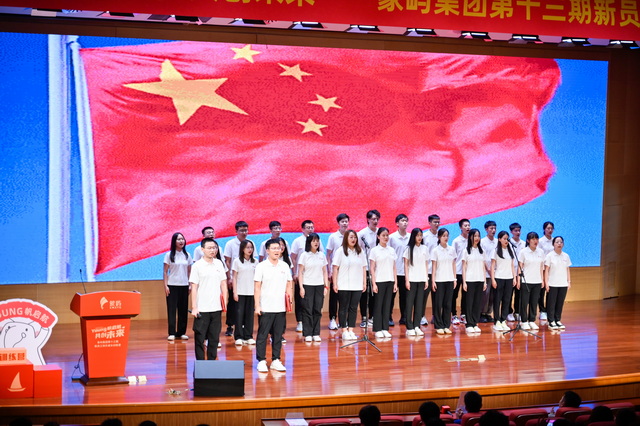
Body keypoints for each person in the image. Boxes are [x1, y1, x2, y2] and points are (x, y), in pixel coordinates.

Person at [254, 238, 294, 373]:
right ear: (267, 250)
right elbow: (257, 287)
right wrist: (257, 305)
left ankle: (276, 360)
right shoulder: (261, 266)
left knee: (278, 335)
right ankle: (261, 360)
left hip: (280, 307)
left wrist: (289, 301)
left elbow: (289, 283)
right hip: (266, 306)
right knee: (263, 335)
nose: (277, 251)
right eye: (274, 248)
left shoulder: (284, 266)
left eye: (279, 248)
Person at [189, 238, 228, 360]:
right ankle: (200, 363)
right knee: (200, 338)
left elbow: (223, 284)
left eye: (214, 248)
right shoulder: (197, 266)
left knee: (214, 338)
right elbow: (194, 287)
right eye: (209, 248)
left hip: (216, 307)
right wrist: (194, 307)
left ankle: (211, 362)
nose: (212, 250)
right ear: (202, 249)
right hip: (202, 308)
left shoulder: (219, 263)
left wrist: (225, 303)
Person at [332, 229, 367, 341]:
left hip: (357, 284)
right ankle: (344, 330)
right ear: (346, 238)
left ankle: (351, 330)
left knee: (353, 307)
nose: (353, 239)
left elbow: (363, 268)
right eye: (351, 237)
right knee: (343, 307)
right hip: (343, 284)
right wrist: (335, 283)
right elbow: (335, 268)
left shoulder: (360, 251)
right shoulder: (340, 251)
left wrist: (364, 283)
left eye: (355, 237)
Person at [291, 220, 325, 333]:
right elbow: (294, 259)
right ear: (303, 229)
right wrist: (295, 274)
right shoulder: (299, 244)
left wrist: (325, 284)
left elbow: (323, 266)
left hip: (317, 281)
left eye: (312, 227)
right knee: (303, 304)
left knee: (316, 307)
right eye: (308, 227)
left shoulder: (320, 249)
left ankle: (315, 330)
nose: (310, 229)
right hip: (304, 279)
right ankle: (303, 325)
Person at [298, 233, 329, 342]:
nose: (316, 243)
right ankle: (308, 333)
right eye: (313, 241)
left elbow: (325, 271)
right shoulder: (304, 255)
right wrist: (301, 287)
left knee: (317, 309)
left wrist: (326, 286)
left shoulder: (322, 255)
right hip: (307, 285)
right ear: (309, 242)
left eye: (317, 241)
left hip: (319, 285)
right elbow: (300, 272)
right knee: (308, 309)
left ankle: (316, 333)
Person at [223, 221, 252, 337]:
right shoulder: (230, 244)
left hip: (247, 279)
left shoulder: (250, 243)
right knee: (233, 303)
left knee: (246, 304)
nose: (244, 232)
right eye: (241, 230)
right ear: (236, 231)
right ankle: (230, 325)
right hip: (234, 278)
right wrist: (229, 277)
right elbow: (227, 261)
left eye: (246, 230)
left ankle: (243, 325)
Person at [163, 232, 193, 341]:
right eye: (179, 239)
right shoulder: (169, 255)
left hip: (184, 285)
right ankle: (171, 332)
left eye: (182, 239)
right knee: (172, 310)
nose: (181, 241)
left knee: (183, 309)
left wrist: (190, 284)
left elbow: (189, 271)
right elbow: (165, 272)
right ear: (174, 241)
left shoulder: (187, 255)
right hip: (172, 285)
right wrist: (165, 286)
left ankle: (181, 332)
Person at [370, 227, 398, 338]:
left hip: (390, 280)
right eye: (383, 235)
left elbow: (394, 267)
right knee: (378, 305)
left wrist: (395, 283)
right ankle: (377, 329)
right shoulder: (374, 250)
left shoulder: (391, 250)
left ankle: (385, 328)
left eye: (387, 235)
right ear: (378, 237)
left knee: (387, 305)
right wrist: (374, 283)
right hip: (379, 281)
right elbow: (372, 268)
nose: (386, 237)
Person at [326, 213, 350, 330]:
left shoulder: (351, 236)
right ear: (338, 223)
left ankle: (343, 320)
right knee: (334, 297)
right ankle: (332, 319)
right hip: (335, 271)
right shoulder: (333, 237)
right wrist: (329, 270)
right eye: (342, 221)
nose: (344, 223)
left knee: (345, 296)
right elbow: (328, 254)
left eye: (346, 221)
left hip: (347, 271)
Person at [431, 228, 457, 335]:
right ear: (439, 237)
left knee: (448, 304)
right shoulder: (435, 250)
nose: (446, 238)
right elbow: (434, 267)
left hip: (449, 279)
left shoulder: (452, 250)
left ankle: (446, 325)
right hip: (439, 280)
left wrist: (454, 278)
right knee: (438, 304)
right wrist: (433, 281)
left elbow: (453, 265)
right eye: (443, 236)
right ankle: (439, 325)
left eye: (447, 235)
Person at [232, 240, 257, 345]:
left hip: (252, 292)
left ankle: (248, 336)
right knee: (239, 315)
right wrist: (235, 292)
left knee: (249, 315)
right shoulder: (237, 261)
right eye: (247, 247)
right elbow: (234, 277)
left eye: (251, 247)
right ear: (242, 249)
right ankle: (238, 336)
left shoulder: (255, 262)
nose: (250, 249)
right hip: (240, 292)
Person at [403, 228, 428, 336]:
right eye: (417, 235)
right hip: (412, 280)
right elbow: (405, 265)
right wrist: (407, 280)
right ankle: (409, 327)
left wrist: (426, 279)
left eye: (421, 235)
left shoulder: (424, 248)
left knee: (419, 304)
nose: (419, 237)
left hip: (421, 279)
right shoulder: (408, 249)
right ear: (413, 236)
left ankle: (417, 325)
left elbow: (426, 264)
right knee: (409, 304)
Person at [518, 232, 545, 331]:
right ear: (528, 241)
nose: (535, 241)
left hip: (537, 280)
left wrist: (542, 280)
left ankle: (532, 320)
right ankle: (524, 321)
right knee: (524, 302)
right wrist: (518, 280)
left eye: (536, 239)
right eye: (533, 239)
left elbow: (541, 267)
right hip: (526, 280)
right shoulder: (523, 252)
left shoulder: (541, 252)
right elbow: (520, 267)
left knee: (534, 301)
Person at [490, 231, 516, 332]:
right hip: (499, 278)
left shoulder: (511, 250)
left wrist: (514, 278)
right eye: (504, 239)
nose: (506, 241)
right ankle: (497, 321)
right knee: (497, 300)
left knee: (507, 300)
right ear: (499, 239)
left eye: (507, 239)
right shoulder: (496, 251)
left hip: (509, 278)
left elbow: (512, 265)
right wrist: (493, 279)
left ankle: (503, 320)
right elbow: (492, 266)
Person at [358, 209, 380, 328]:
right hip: (365, 268)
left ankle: (372, 316)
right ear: (368, 220)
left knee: (374, 294)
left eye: (377, 219)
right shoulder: (362, 234)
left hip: (378, 268)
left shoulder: (380, 232)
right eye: (373, 219)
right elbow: (358, 251)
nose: (375, 221)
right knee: (364, 293)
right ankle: (364, 317)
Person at [462, 229, 486, 333]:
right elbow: (463, 267)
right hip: (470, 280)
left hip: (480, 279)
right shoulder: (466, 251)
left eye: (478, 236)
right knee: (469, 303)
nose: (477, 238)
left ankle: (475, 323)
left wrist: (484, 281)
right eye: (475, 236)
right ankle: (469, 324)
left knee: (477, 303)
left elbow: (483, 267)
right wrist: (464, 282)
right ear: (470, 237)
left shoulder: (482, 251)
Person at [544, 236, 571, 330]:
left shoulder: (566, 256)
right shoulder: (549, 256)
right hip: (552, 283)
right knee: (551, 303)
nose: (559, 244)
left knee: (560, 302)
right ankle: (551, 321)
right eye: (557, 242)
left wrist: (569, 281)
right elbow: (546, 270)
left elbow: (567, 269)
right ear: (553, 244)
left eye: (561, 242)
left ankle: (557, 319)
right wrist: (546, 283)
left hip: (563, 283)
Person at [389, 214, 410, 327]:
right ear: (397, 223)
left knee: (405, 297)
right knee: (391, 296)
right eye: (402, 221)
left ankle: (404, 317)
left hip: (407, 272)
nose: (405, 223)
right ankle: (389, 317)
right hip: (394, 272)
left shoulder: (411, 236)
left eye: (406, 221)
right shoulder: (392, 237)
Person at [421, 214, 441, 326]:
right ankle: (421, 316)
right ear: (429, 223)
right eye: (434, 222)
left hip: (439, 271)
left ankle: (436, 316)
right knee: (424, 295)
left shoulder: (441, 235)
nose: (437, 224)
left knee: (437, 296)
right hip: (427, 271)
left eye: (438, 222)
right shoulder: (424, 236)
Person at [451, 219, 470, 326]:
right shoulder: (456, 241)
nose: (468, 227)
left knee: (466, 295)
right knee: (454, 295)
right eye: (465, 225)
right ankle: (454, 315)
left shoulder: (471, 240)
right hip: (457, 272)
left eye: (468, 225)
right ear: (460, 227)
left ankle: (463, 314)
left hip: (468, 272)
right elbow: (453, 258)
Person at [480, 221, 498, 323]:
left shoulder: (497, 241)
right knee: (485, 294)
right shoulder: (482, 242)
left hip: (496, 273)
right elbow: (483, 258)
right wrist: (488, 269)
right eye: (491, 228)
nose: (493, 230)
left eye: (494, 228)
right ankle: (481, 313)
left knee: (492, 295)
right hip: (486, 272)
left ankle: (488, 313)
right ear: (486, 229)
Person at [508, 223, 525, 322]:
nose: (518, 232)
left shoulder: (523, 243)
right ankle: (509, 312)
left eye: (519, 230)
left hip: (520, 272)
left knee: (519, 293)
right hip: (510, 272)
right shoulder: (508, 243)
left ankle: (517, 312)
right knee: (509, 294)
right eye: (515, 231)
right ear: (511, 232)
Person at [538, 221, 555, 320]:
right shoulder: (540, 241)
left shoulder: (555, 241)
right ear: (544, 229)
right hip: (543, 269)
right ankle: (542, 310)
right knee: (542, 290)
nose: (550, 230)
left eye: (551, 228)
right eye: (548, 228)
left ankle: (549, 310)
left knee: (551, 290)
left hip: (552, 269)